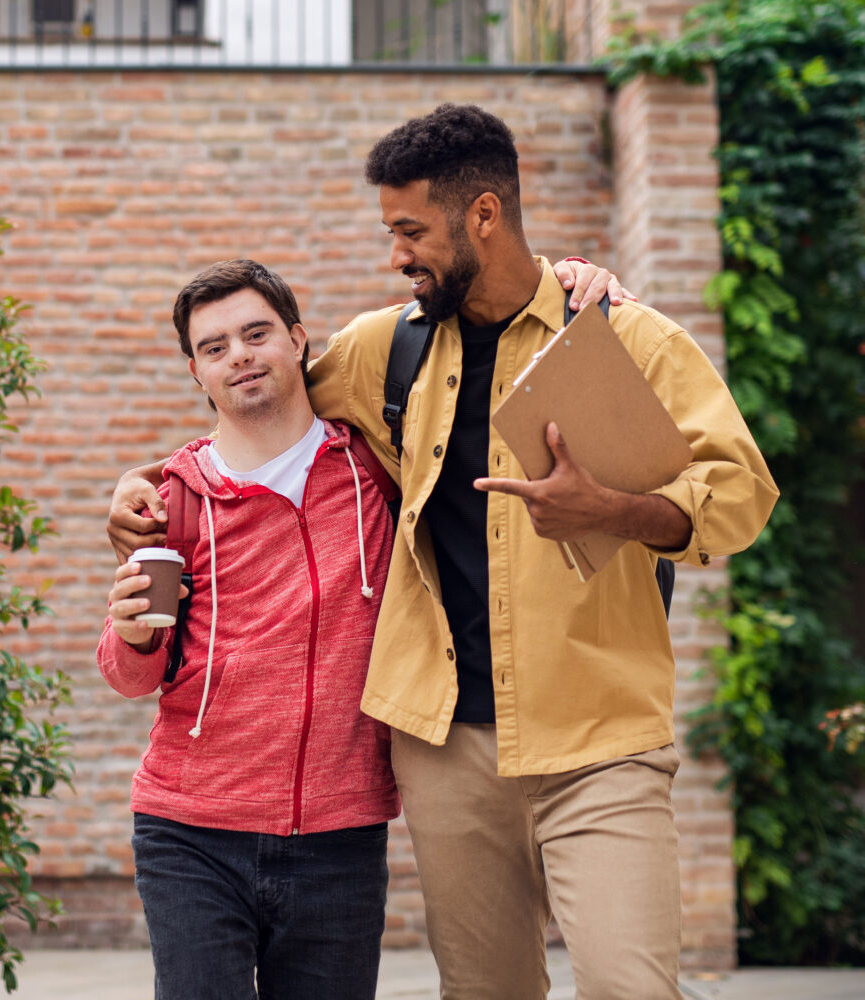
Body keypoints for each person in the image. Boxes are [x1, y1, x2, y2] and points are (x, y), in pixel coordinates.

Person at [108, 104, 779, 1000]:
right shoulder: (387, 349)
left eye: (410, 230)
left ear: (484, 216)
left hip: (598, 735)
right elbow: (260, 404)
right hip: (445, 750)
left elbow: (740, 497)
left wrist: (610, 508)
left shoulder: (623, 337)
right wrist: (146, 482)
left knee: (632, 986)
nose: (396, 254)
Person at [98, 259, 400, 1000]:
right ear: (196, 372)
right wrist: (133, 632)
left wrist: (580, 278)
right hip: (190, 832)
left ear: (298, 341)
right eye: (214, 347)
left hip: (340, 834)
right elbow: (131, 674)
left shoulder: (374, 469)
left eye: (256, 333)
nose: (239, 355)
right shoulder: (170, 501)